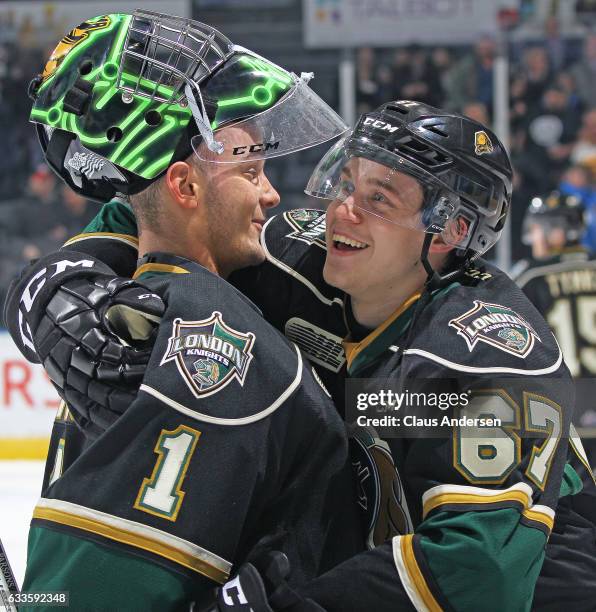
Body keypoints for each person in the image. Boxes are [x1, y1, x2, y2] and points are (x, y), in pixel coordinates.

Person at [7, 101, 596, 608]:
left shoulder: (486, 353)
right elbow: (159, 207)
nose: (342, 212)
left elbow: (479, 573)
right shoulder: (298, 252)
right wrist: (61, 284)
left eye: (379, 199)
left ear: (449, 231)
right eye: (345, 184)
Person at [5, 11, 365, 610]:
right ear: (187, 186)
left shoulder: (130, 306)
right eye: (251, 168)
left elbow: (73, 590)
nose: (273, 193)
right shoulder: (226, 313)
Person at [513, 190, 596, 467]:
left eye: (537, 230)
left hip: (562, 417)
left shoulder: (531, 276)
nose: (534, 238)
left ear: (556, 232)